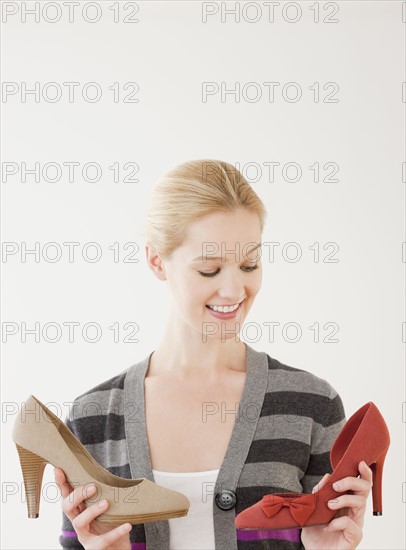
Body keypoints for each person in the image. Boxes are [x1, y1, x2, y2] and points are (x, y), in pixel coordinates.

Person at [55, 159, 373, 550]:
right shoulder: (93, 419)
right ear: (157, 261)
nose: (234, 290)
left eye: (249, 264)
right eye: (209, 269)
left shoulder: (310, 405)